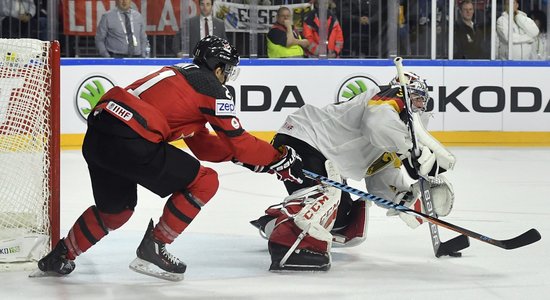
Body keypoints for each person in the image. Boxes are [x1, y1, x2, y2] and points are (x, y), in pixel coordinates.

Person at [35, 36, 305, 281]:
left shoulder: (178, 74)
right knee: (205, 182)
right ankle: (155, 246)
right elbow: (240, 141)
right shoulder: (212, 88)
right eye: (228, 70)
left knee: (115, 212)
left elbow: (202, 145)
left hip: (98, 137)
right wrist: (277, 158)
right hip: (131, 140)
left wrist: (247, 158)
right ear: (219, 67)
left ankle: (59, 256)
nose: (228, 77)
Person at [246, 72, 456, 271]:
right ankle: (289, 246)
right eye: (418, 98)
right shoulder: (390, 96)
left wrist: (408, 199)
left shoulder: (395, 135)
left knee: (340, 221)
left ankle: (276, 223)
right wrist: (409, 146)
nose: (421, 105)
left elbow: (381, 178)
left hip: (321, 153)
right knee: (324, 199)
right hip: (305, 139)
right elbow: (377, 123)